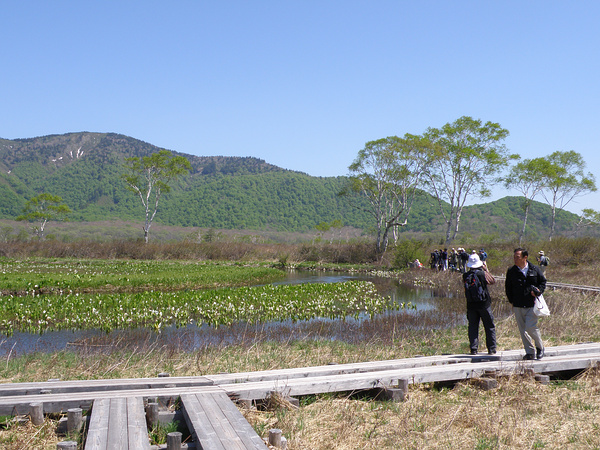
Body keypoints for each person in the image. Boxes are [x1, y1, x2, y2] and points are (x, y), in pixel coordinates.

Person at [505, 247, 547, 360]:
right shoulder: (511, 271)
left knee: (530, 327)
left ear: (525, 257)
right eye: (514, 257)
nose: (515, 259)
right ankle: (529, 352)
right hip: (518, 304)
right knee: (522, 330)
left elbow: (543, 282)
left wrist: (538, 291)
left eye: (517, 257)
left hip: (532, 304)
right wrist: (511, 301)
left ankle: (540, 347)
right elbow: (508, 287)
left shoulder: (534, 269)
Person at [462, 253, 496, 355]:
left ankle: (473, 349)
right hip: (484, 304)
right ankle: (491, 348)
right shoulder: (482, 273)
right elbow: (492, 281)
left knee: (473, 326)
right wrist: (485, 269)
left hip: (471, 305)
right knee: (489, 326)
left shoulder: (465, 275)